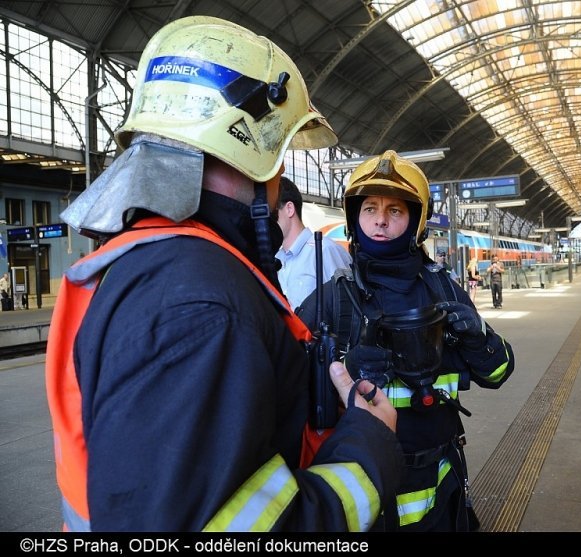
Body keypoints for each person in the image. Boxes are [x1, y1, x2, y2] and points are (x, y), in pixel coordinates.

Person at [45, 16, 402, 532]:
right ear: (250, 151)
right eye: (279, 161)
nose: (280, 184)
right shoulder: (200, 306)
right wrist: (368, 442)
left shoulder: (152, 266)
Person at [296, 150, 515, 531]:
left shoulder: (444, 289)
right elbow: (286, 396)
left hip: (441, 490)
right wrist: (341, 373)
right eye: (370, 208)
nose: (380, 220)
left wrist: (478, 334)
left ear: (415, 221)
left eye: (395, 210)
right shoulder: (330, 301)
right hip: (364, 494)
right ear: (354, 218)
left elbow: (498, 373)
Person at [275, 176, 352, 309]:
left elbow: (346, 309)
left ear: (289, 209)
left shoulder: (325, 251)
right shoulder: (277, 261)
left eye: (270, 212)